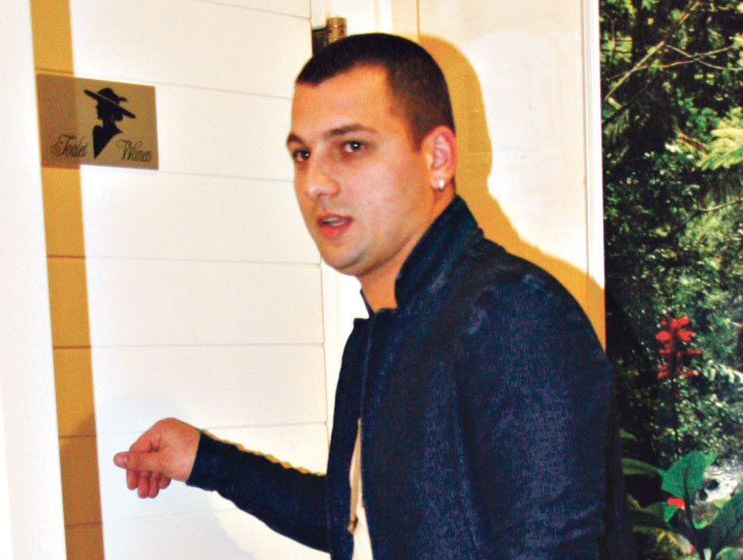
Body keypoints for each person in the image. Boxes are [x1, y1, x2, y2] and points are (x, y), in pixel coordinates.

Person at [113, 33, 634, 559]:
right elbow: (357, 520)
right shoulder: (382, 336)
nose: (315, 182)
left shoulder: (512, 317)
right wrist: (207, 461)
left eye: (352, 147)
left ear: (437, 158)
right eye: (302, 154)